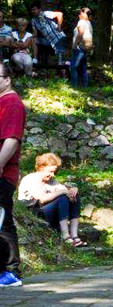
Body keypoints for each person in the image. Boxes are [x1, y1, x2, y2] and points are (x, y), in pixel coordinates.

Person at [18, 153, 85, 246]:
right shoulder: (30, 179)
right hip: (35, 213)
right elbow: (41, 198)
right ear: (41, 167)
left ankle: (74, 236)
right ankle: (66, 236)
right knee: (62, 198)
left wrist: (73, 190)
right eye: (50, 171)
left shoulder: (51, 181)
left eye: (54, 172)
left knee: (74, 195)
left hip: (48, 213)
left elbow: (65, 190)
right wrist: (63, 192)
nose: (52, 174)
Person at [0, 64, 25, 287]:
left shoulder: (11, 103)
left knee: (2, 220)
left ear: (7, 80)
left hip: (2, 173)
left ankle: (10, 271)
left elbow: (12, 139)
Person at [69, 7, 91, 88]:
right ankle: (85, 86)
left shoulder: (81, 22)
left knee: (73, 67)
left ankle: (74, 86)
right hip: (86, 48)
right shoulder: (88, 23)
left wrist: (75, 45)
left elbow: (80, 34)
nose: (79, 15)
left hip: (79, 48)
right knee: (83, 69)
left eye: (80, 13)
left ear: (84, 13)